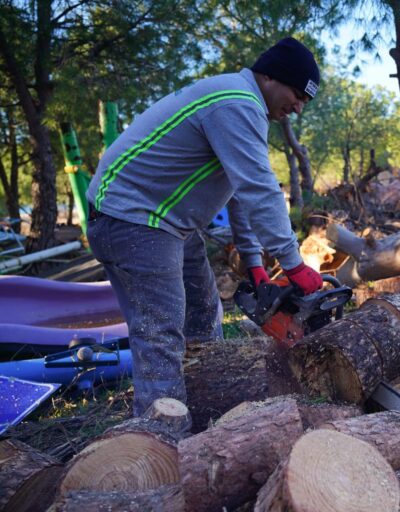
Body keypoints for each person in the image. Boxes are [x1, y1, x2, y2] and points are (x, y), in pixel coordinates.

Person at [85, 37, 323, 416]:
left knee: (202, 311)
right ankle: (160, 439)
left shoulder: (240, 104)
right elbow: (262, 189)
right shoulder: (236, 102)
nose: (296, 108)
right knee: (160, 332)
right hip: (132, 217)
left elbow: (240, 192)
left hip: (166, 221)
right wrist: (293, 264)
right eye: (296, 94)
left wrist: (255, 264)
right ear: (270, 76)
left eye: (304, 102)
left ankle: (205, 403)